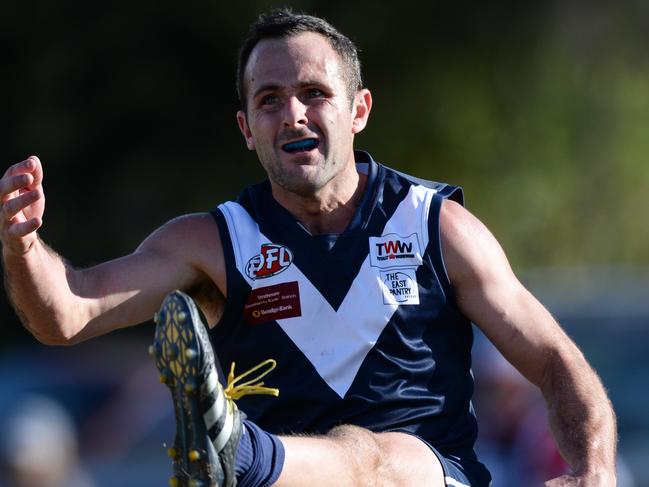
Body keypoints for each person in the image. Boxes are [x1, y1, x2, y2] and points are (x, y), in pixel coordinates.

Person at [0, 8, 617, 487]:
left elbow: (558, 362)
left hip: (425, 474)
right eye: (269, 100)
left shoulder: (436, 226)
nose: (292, 115)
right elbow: (67, 314)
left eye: (313, 93)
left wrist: (594, 469)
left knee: (374, 455)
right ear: (246, 129)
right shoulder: (214, 242)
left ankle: (238, 453)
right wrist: (23, 245)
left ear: (358, 111)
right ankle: (237, 455)